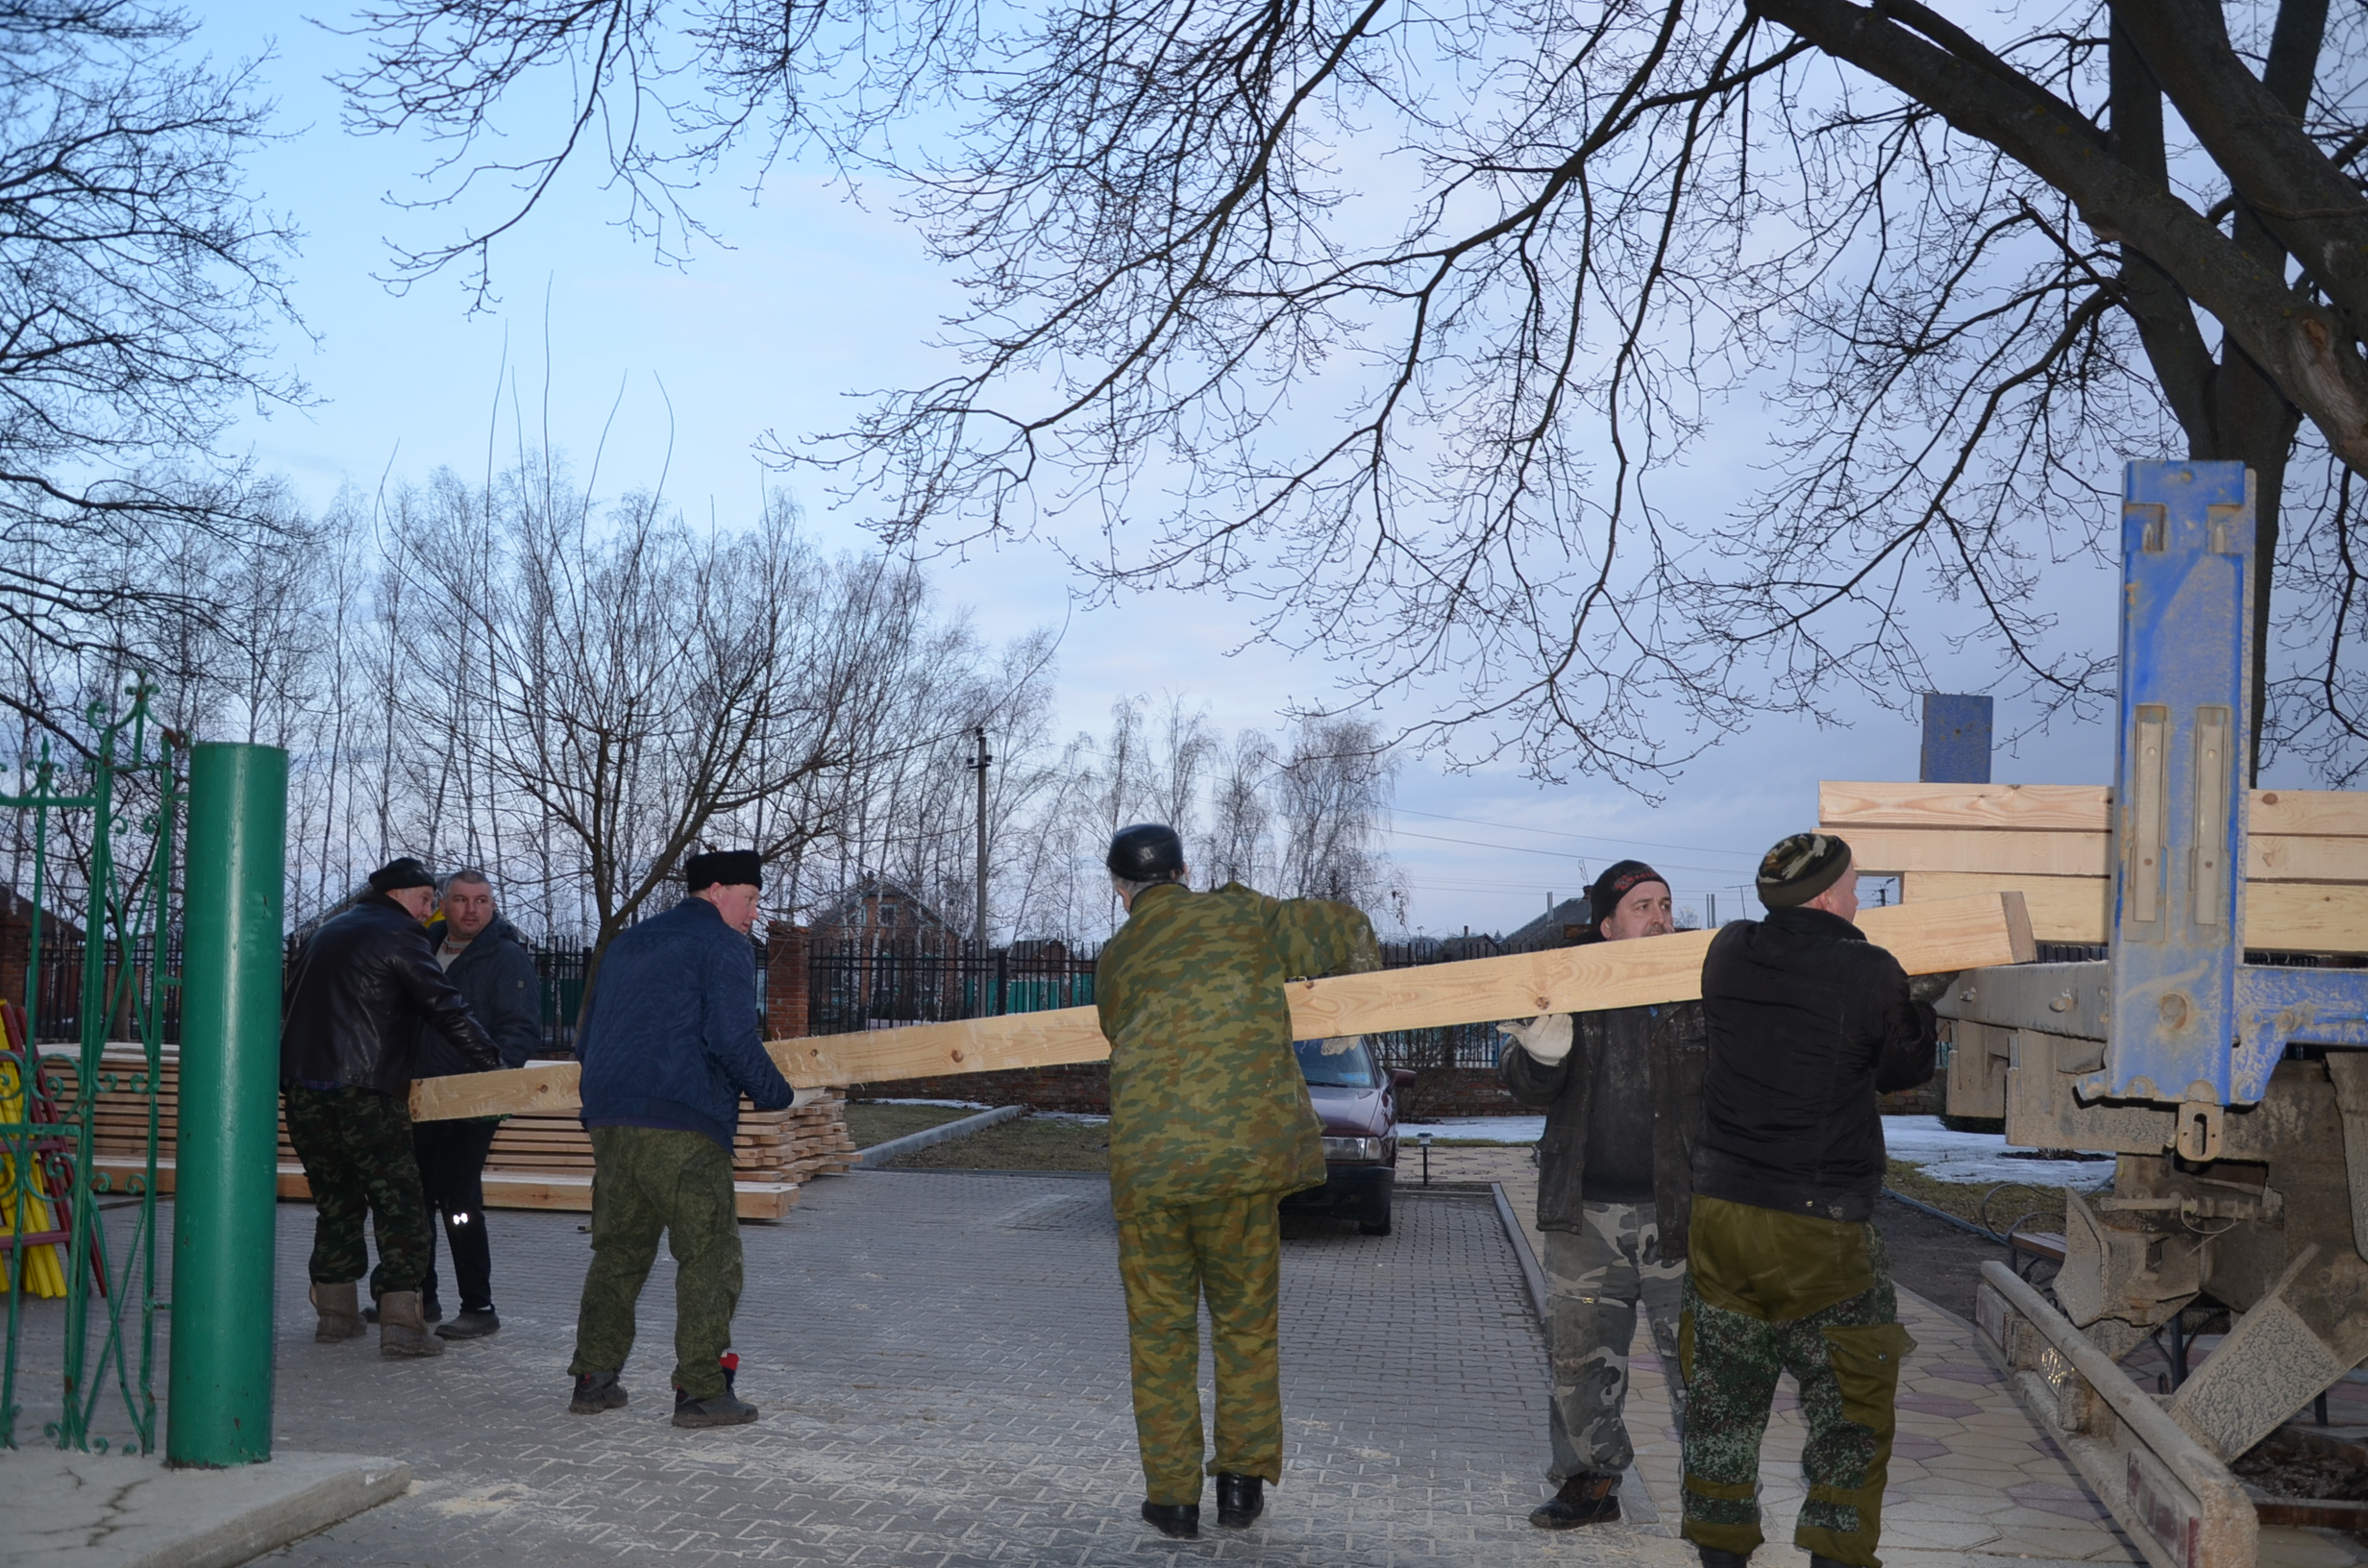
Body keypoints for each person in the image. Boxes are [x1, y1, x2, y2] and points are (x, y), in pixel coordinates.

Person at [1095, 822, 1380, 1541]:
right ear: (1185, 872)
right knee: (1246, 1328)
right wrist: (1359, 1001)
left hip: (1152, 1174)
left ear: (1121, 891)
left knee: (1160, 1336)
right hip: (1240, 1172)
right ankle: (1242, 1487)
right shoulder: (1244, 916)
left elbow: (1114, 1026)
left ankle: (1173, 1500)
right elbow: (1346, 926)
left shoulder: (1117, 955)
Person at [1680, 833, 1944, 1568]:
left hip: (1722, 1213)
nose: (1860, 899)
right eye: (1854, 886)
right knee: (1850, 1404)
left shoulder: (1728, 950)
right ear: (1827, 895)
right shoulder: (1867, 969)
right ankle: (1834, 1553)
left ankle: (1721, 1555)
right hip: (1818, 1227)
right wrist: (1924, 1001)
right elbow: (1903, 1067)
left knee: (1724, 1400)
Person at [1497, 858, 1706, 1529]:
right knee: (1580, 1360)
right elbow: (1530, 1087)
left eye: (1666, 905)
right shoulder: (1570, 986)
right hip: (1585, 1216)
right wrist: (1542, 1053)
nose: (1660, 918)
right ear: (1608, 924)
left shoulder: (1700, 986)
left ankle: (1717, 1496)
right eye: (1643, 906)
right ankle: (1589, 1485)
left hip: (1683, 1215)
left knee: (1703, 1363)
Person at [567, 848, 796, 1429]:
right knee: (708, 1254)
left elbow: (586, 1038)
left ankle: (593, 1379)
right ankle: (702, 1390)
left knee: (618, 1250)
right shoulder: (722, 945)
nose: (753, 915)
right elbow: (729, 1036)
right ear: (718, 891)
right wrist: (777, 1092)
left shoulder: (626, 943)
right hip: (683, 1121)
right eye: (750, 900)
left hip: (611, 1119)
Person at [281, 857, 504, 1358]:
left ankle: (335, 1316)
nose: (432, 911)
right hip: (365, 1090)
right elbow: (443, 1004)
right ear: (402, 895)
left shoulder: (325, 932)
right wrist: (494, 1060)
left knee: (336, 1200)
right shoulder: (400, 934)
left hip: (303, 1090)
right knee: (402, 1204)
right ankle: (403, 1326)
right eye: (428, 899)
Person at [410, 868, 542, 1338]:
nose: (472, 910)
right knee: (417, 1196)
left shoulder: (505, 957)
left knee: (458, 1200)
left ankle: (478, 1306)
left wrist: (493, 1084)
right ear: (445, 904)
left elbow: (521, 1029)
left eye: (482, 901)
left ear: (492, 905)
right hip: (421, 1097)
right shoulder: (424, 947)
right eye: (462, 900)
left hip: (472, 1099)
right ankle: (419, 1298)